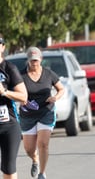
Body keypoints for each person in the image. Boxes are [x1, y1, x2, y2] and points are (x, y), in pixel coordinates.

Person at [19, 47, 64, 179]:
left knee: (43, 143)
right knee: (28, 149)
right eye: (32, 61)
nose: (34, 63)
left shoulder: (49, 74)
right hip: (27, 115)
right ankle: (35, 159)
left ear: (41, 60)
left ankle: (42, 173)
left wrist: (56, 97)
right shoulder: (21, 76)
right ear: (28, 61)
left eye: (36, 60)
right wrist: (21, 100)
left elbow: (61, 89)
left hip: (46, 112)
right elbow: (15, 91)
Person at [0, 37, 28, 179]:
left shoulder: (9, 68)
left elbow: (23, 96)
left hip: (8, 126)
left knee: (9, 169)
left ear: (3, 47)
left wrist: (4, 92)